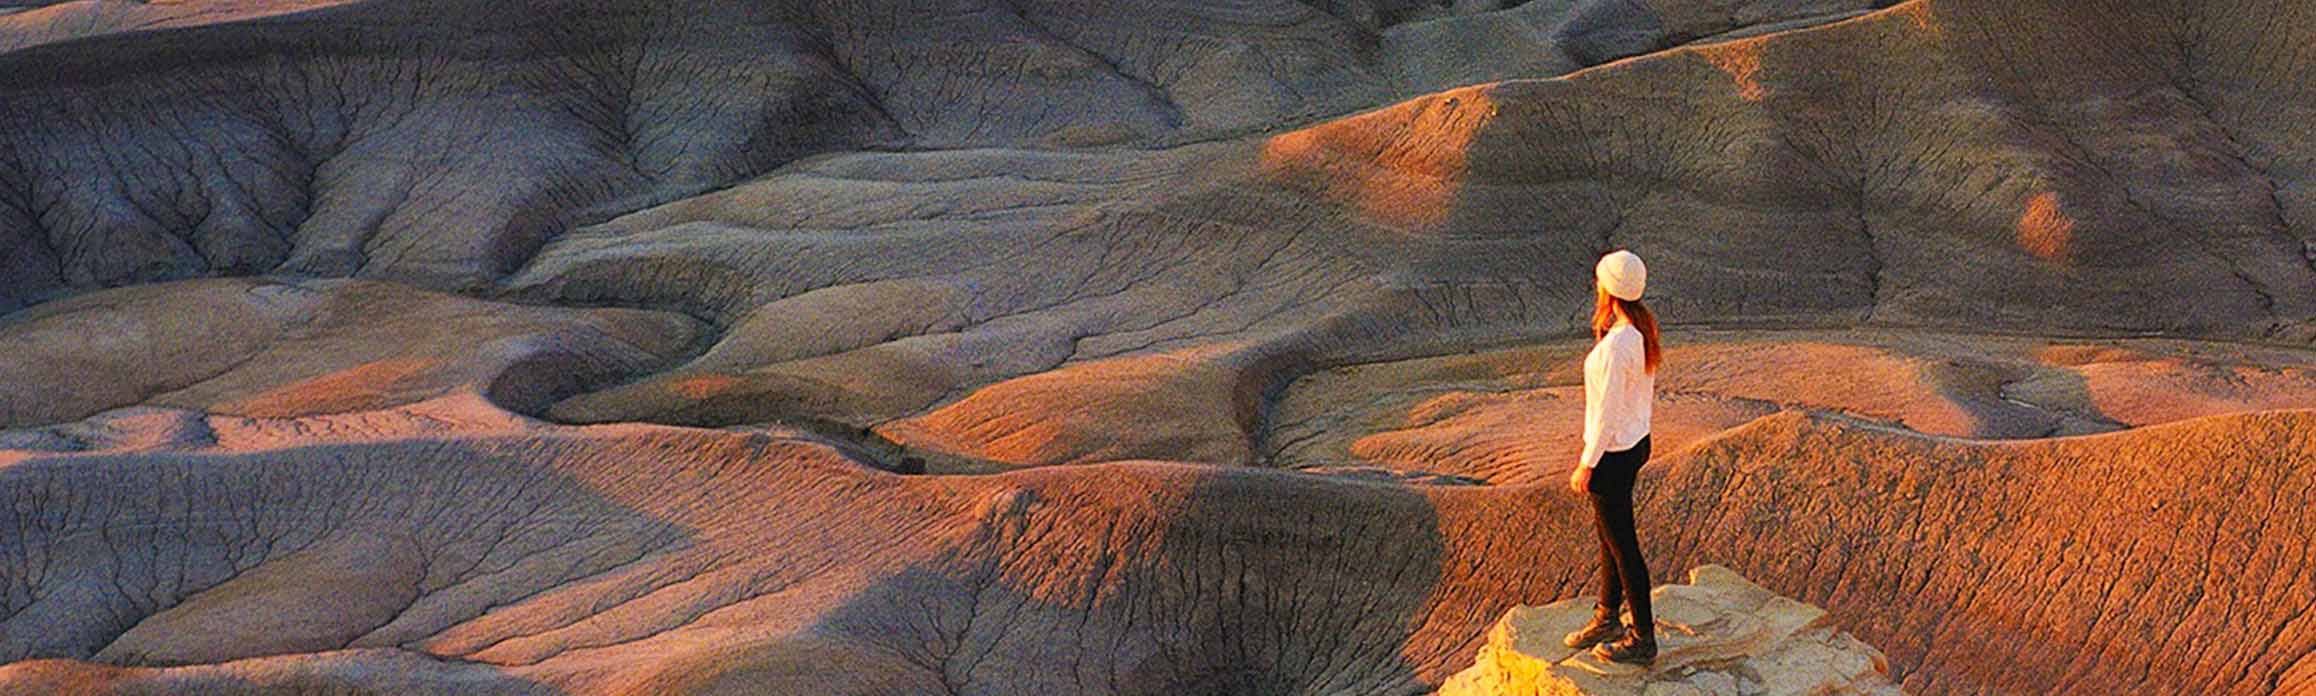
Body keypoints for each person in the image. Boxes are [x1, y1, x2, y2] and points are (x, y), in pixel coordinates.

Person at [1560, 249, 1662, 665]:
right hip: (1635, 443)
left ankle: (1643, 637)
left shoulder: (1618, 345)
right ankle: (1607, 615)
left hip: (1613, 454)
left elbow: (1606, 412)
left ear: (1609, 290)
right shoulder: (1637, 332)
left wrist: (1587, 463)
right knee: (1610, 535)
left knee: (1623, 545)